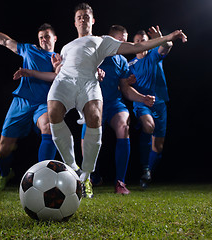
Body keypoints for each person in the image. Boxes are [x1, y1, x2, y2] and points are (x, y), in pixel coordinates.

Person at [14, 5, 187, 198]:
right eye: (79, 17)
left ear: (92, 20)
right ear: (75, 22)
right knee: (53, 114)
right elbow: (61, 69)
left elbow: (136, 47)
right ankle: (74, 168)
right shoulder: (66, 46)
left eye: (86, 16)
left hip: (89, 83)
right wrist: (57, 67)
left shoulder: (102, 41)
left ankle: (87, 176)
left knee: (95, 118)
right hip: (65, 82)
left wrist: (166, 38)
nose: (83, 19)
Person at [0, 19, 58, 191]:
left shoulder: (58, 59)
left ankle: (44, 177)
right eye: (41, 37)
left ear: (55, 39)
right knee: (3, 150)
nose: (44, 40)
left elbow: (59, 77)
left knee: (49, 127)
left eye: (47, 37)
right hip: (21, 102)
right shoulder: (29, 49)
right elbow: (6, 41)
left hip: (43, 104)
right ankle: (5, 173)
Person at [80, 25, 155, 195]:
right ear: (108, 40)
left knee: (124, 126)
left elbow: (125, 88)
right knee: (88, 140)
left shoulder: (121, 60)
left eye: (125, 39)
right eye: (119, 40)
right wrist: (93, 76)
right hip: (93, 103)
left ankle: (120, 182)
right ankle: (90, 177)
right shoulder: (93, 55)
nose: (123, 43)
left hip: (114, 104)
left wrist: (142, 98)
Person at [128, 26, 174, 188]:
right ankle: (145, 167)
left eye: (144, 41)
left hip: (160, 104)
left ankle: (147, 174)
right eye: (138, 41)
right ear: (133, 44)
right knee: (148, 126)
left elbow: (166, 46)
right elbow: (123, 87)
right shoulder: (130, 65)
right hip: (142, 104)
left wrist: (161, 37)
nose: (141, 44)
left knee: (158, 147)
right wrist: (128, 83)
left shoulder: (154, 56)